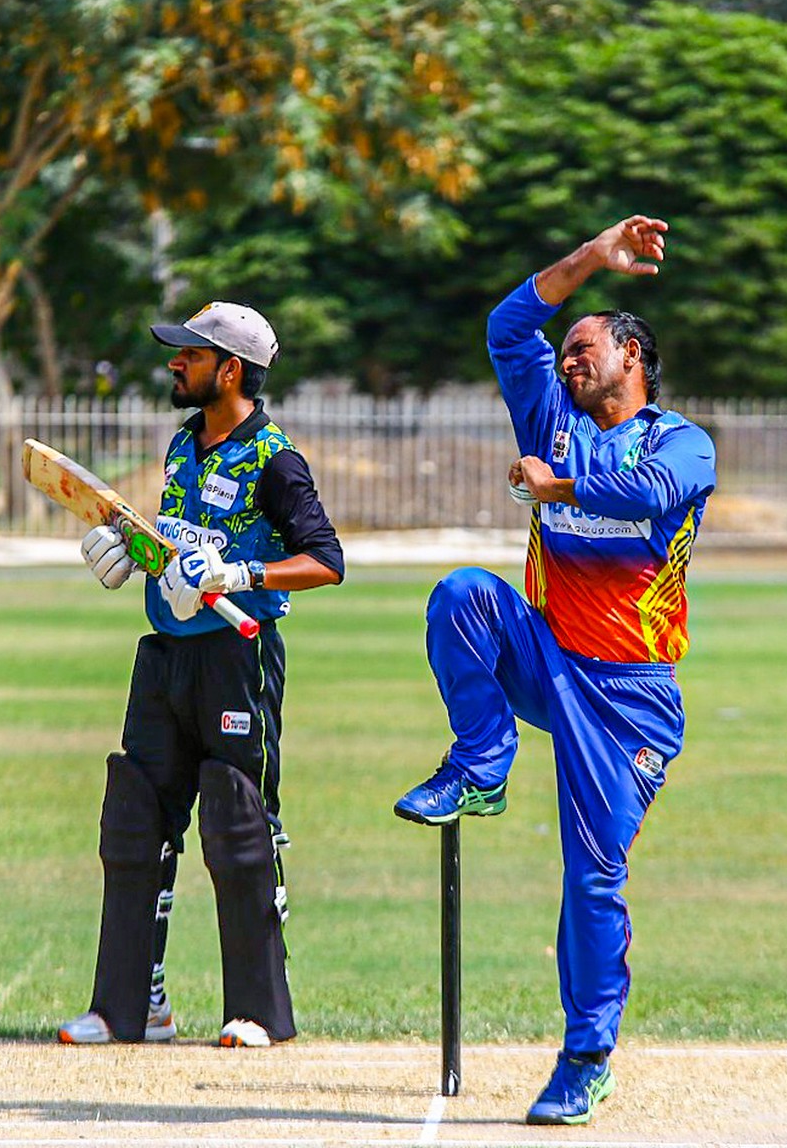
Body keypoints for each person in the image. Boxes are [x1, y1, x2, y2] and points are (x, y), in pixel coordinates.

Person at [394, 216, 716, 1124]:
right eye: (564, 350)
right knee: (463, 595)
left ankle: (585, 1058)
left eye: (584, 348)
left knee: (592, 877)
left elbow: (650, 495)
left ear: (631, 356)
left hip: (630, 697)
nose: (567, 361)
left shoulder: (682, 441)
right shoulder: (551, 419)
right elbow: (506, 328)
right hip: (549, 655)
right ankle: (480, 764)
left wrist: (557, 488)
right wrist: (586, 261)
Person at [59, 301, 344, 1049]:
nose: (174, 363)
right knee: (135, 822)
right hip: (165, 656)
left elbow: (326, 560)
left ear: (231, 370)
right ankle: (131, 1007)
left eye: (190, 354)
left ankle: (257, 1011)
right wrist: (129, 555)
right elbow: (175, 547)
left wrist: (238, 573)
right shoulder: (184, 443)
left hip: (236, 660)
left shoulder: (274, 457)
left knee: (237, 821)